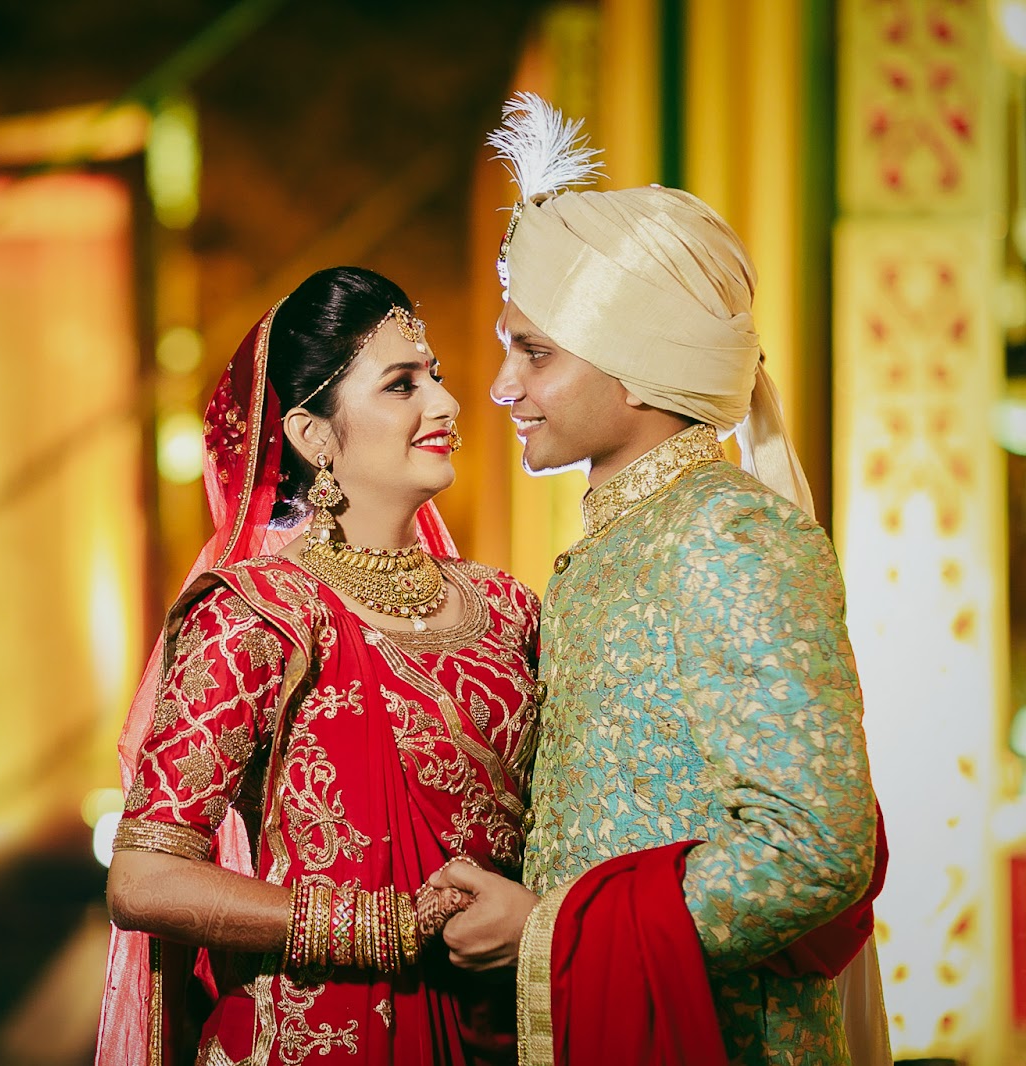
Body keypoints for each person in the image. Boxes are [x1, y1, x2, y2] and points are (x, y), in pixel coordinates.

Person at [429, 95, 891, 1065]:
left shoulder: (729, 534)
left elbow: (818, 849)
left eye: (534, 352)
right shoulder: (615, 547)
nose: (502, 386)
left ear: (637, 367)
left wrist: (548, 930)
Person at [97, 266, 542, 1066]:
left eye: (435, 377)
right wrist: (382, 926)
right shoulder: (256, 615)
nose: (446, 404)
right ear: (313, 437)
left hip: (494, 1032)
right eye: (402, 385)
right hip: (309, 1037)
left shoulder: (508, 609)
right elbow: (144, 878)